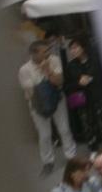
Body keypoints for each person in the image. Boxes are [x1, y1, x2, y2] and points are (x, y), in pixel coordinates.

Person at [20, 39, 71, 169]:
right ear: (34, 54)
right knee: (45, 135)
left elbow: (59, 82)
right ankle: (48, 161)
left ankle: (71, 155)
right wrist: (43, 81)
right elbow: (30, 92)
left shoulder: (54, 60)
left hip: (57, 99)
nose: (49, 52)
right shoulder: (24, 70)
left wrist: (48, 70)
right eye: (45, 51)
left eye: (48, 49)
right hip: (38, 106)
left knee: (64, 129)